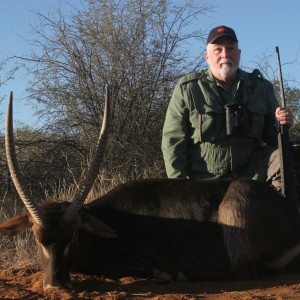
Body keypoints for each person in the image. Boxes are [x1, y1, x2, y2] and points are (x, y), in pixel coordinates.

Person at [161, 25, 294, 192]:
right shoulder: (187, 88)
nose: (225, 54)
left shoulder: (261, 87)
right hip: (205, 180)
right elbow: (173, 141)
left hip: (253, 173)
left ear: (238, 55)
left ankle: (280, 212)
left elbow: (274, 140)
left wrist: (281, 124)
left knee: (287, 158)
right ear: (207, 56)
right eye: (218, 50)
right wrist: (179, 189)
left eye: (231, 49)